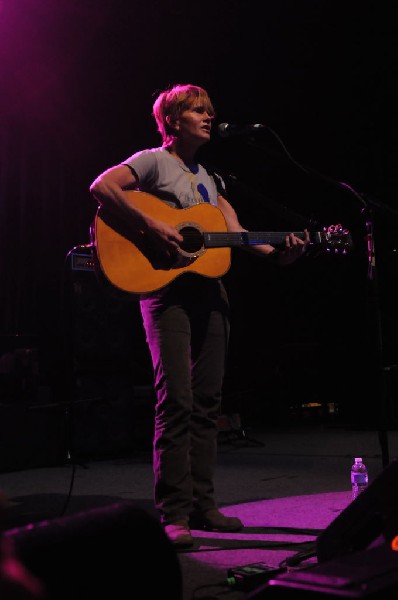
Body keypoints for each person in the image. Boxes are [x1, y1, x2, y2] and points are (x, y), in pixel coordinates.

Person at [89, 83, 310, 548]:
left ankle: (204, 506)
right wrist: (151, 224)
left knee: (209, 403)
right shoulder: (152, 161)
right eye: (197, 110)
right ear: (172, 121)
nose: (209, 117)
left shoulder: (212, 180)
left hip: (210, 293)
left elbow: (241, 235)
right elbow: (103, 186)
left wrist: (281, 255)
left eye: (210, 111)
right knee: (177, 402)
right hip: (165, 291)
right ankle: (173, 513)